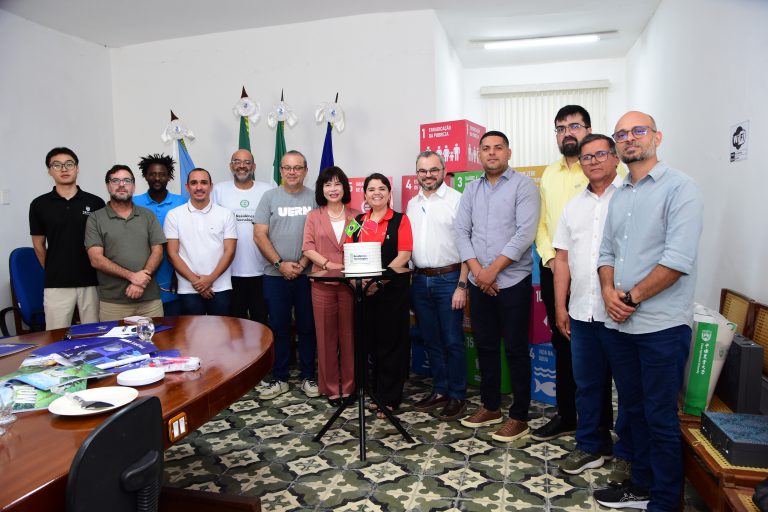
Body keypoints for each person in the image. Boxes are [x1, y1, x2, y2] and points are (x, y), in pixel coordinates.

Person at [593, 112, 703, 511]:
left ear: (657, 137)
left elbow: (677, 260)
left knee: (660, 417)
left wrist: (630, 299)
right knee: (633, 412)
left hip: (661, 328)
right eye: (621, 134)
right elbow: (606, 252)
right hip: (620, 327)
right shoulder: (620, 193)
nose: (629, 138)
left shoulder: (681, 188)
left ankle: (666, 500)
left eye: (638, 131)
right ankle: (641, 486)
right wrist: (608, 291)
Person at [550, 134, 632, 483]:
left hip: (623, 312)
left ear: (615, 158)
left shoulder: (631, 198)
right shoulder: (573, 206)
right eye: (587, 157)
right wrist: (560, 306)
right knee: (586, 385)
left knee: (628, 390)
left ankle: (628, 453)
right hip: (582, 311)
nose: (594, 161)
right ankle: (590, 446)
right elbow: (562, 259)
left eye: (601, 154)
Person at [454, 130, 539, 442]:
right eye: (486, 148)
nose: (492, 153)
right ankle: (490, 407)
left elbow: (524, 234)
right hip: (480, 282)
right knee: (486, 345)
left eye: (498, 148)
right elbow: (461, 232)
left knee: (516, 349)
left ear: (508, 153)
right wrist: (480, 273)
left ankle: (519, 416)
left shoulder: (524, 186)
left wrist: (492, 272)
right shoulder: (471, 190)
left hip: (513, 282)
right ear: (479, 154)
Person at [532, 105, 592, 441]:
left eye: (574, 126)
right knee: (562, 342)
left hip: (594, 274)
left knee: (596, 348)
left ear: (588, 130)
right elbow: (542, 223)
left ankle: (598, 422)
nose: (567, 133)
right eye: (560, 128)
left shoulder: (604, 168)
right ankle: (567, 415)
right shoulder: (549, 174)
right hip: (555, 269)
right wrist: (551, 257)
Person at [406, 151, 469, 421]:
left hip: (449, 279)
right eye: (423, 171)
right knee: (431, 339)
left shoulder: (457, 200)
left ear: (443, 171)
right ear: (417, 174)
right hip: (420, 280)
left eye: (433, 170)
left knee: (453, 340)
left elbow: (468, 245)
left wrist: (462, 285)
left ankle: (457, 395)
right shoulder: (412, 204)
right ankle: (440, 390)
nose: (428, 175)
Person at [345, 173, 412, 419]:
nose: (377, 193)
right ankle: (374, 393)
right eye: (372, 189)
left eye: (382, 188)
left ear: (389, 193)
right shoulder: (356, 221)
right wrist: (359, 283)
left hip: (392, 292)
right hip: (363, 293)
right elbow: (347, 252)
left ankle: (389, 398)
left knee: (391, 345)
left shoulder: (400, 219)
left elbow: (404, 255)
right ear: (364, 194)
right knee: (369, 344)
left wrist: (377, 282)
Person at [254, 151, 318, 400]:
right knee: (279, 328)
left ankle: (308, 376)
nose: (292, 172)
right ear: (280, 170)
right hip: (274, 275)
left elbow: (319, 234)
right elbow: (259, 234)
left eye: (297, 167)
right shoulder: (269, 197)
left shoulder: (315, 198)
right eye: (287, 168)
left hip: (307, 275)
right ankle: (279, 378)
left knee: (307, 327)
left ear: (305, 170)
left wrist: (302, 263)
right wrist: (280, 264)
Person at [302, 166, 360, 406]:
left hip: (349, 285)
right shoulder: (314, 216)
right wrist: (329, 264)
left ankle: (349, 386)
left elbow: (361, 247)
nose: (333, 189)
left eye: (337, 184)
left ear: (345, 187)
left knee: (349, 337)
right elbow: (307, 248)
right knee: (325, 338)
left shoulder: (356, 216)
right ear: (321, 189)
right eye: (327, 185)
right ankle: (331, 388)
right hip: (322, 284)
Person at [29, 147, 105, 329]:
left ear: (77, 168)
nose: (64, 169)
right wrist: (52, 270)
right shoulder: (39, 204)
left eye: (69, 164)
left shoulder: (95, 202)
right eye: (57, 165)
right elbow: (38, 245)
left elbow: (104, 243)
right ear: (49, 171)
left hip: (92, 281)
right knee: (56, 336)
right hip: (57, 283)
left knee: (94, 335)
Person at [85, 165, 166, 321]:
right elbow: (96, 259)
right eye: (115, 180)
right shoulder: (95, 218)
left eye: (127, 180)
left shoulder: (147, 215)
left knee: (157, 337)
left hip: (150, 301)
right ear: (108, 186)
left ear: (133, 186)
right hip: (113, 303)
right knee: (112, 338)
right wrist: (132, 277)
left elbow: (158, 252)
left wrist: (140, 283)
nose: (121, 185)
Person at [164, 168, 237, 315]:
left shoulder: (226, 214)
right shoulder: (174, 215)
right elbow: (172, 253)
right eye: (194, 183)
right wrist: (196, 282)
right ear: (187, 187)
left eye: (204, 182)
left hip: (220, 286)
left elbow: (230, 251)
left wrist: (210, 279)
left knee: (220, 328)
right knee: (193, 330)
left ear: (211, 186)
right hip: (188, 287)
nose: (199, 187)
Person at [213, 149, 272, 323]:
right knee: (234, 325)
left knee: (261, 323)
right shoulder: (219, 190)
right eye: (237, 162)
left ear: (253, 167)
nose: (242, 166)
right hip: (229, 272)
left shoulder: (267, 190)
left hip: (262, 271)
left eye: (247, 162)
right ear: (231, 166)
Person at [133, 153, 186, 316]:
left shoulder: (182, 202)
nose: (157, 178)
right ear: (145, 176)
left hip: (174, 273)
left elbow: (188, 240)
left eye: (162, 174)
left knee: (174, 325)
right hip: (142, 272)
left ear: (169, 177)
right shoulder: (134, 202)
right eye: (152, 174)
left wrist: (180, 273)